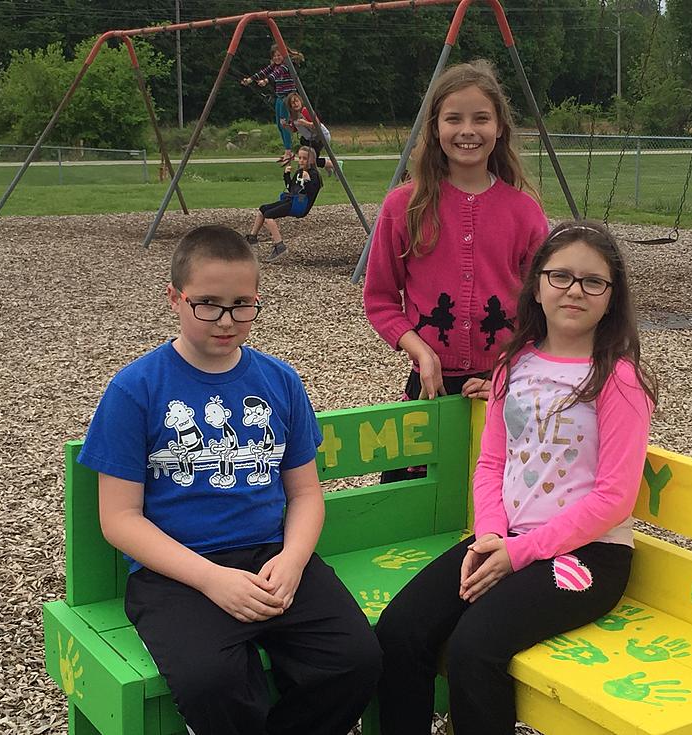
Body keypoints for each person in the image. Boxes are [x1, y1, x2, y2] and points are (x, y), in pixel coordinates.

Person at [77, 225, 381, 735]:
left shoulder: (279, 380)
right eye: (208, 304)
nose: (226, 320)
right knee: (211, 680)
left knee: (355, 660)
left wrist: (292, 559)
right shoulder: (136, 389)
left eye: (242, 304)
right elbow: (120, 519)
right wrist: (212, 579)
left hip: (270, 557)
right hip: (176, 571)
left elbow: (305, 493)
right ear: (175, 298)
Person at [374, 219, 657, 735]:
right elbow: (492, 465)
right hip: (504, 539)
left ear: (612, 297)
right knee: (400, 630)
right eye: (561, 276)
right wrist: (490, 537)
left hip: (588, 556)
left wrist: (515, 554)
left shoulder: (617, 377)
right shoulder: (514, 363)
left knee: (473, 649)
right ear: (537, 285)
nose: (575, 290)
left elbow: (615, 498)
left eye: (593, 281)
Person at [362, 60, 549, 481]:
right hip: (429, 384)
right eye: (454, 118)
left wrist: (510, 367)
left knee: (499, 499)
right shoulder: (403, 207)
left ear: (499, 127)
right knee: (411, 500)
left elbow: (545, 309)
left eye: (481, 118)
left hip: (507, 386)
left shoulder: (525, 212)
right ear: (435, 127)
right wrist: (420, 351)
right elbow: (379, 300)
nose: (468, 130)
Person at [246, 146, 322, 263]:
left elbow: (312, 192)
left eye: (304, 158)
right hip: (291, 200)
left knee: (269, 216)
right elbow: (290, 188)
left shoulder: (314, 175)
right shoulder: (299, 172)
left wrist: (308, 181)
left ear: (311, 160)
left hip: (300, 205)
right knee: (262, 210)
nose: (301, 160)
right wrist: (286, 175)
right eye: (300, 157)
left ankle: (279, 246)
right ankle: (252, 238)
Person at [241, 45, 305, 164]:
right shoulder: (274, 66)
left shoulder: (287, 65)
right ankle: (287, 150)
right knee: (279, 125)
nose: (277, 58)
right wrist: (249, 80)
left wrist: (265, 81)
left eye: (279, 55)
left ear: (284, 55)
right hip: (280, 97)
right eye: (274, 56)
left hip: (288, 97)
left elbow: (274, 75)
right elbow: (263, 72)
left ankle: (288, 151)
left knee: (284, 124)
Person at [284, 92, 335, 174]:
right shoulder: (292, 116)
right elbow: (294, 130)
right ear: (290, 106)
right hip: (309, 138)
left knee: (309, 159)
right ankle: (329, 165)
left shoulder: (305, 111)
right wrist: (286, 126)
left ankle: (332, 165)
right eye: (292, 103)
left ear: (300, 101)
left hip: (320, 137)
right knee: (306, 158)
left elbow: (317, 124)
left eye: (297, 101)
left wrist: (305, 123)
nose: (295, 104)